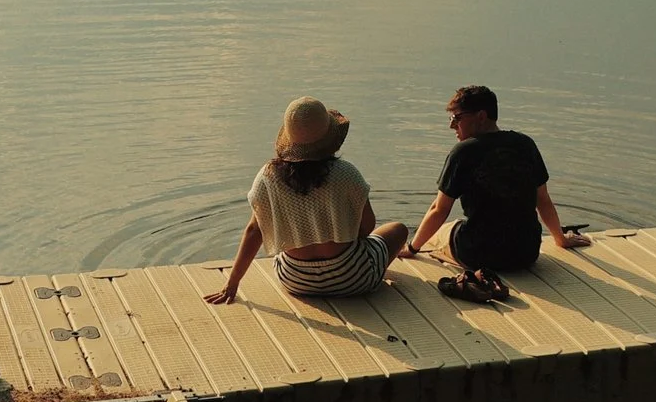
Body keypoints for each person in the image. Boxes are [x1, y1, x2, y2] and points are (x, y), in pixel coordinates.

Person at [205, 97, 411, 303]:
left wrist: (232, 282)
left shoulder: (268, 176)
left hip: (295, 280)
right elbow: (367, 227)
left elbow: (254, 231)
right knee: (398, 229)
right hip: (353, 279)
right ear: (330, 139)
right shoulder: (346, 173)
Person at [404, 85, 591, 274]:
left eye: (457, 118)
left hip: (478, 254)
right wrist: (561, 239)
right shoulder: (525, 145)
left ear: (481, 116)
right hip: (526, 252)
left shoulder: (464, 152)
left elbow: (439, 209)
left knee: (443, 232)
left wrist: (412, 248)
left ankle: (426, 249)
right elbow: (542, 199)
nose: (452, 125)